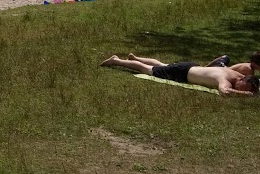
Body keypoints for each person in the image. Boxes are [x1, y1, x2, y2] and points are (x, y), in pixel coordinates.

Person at [101, 54, 259, 97]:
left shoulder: (234, 73)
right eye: (245, 86)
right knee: (147, 70)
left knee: (162, 65)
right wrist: (246, 94)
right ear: (243, 80)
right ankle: (117, 61)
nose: (239, 88)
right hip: (183, 72)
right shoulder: (224, 79)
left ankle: (134, 58)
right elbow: (224, 92)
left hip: (191, 66)